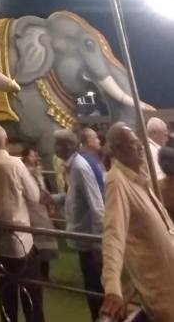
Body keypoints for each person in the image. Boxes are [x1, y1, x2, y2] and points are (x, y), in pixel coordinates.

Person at [102, 122, 174, 322]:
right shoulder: (117, 181)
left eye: (139, 142)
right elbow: (113, 235)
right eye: (133, 144)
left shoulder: (140, 176)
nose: (141, 147)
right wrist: (113, 289)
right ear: (118, 151)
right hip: (161, 292)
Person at [0, 126, 45, 322]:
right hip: (22, 240)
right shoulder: (16, 164)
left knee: (5, 295)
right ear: (6, 140)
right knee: (31, 295)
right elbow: (34, 195)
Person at [53, 129, 104, 321]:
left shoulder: (80, 168)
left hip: (89, 241)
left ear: (66, 147)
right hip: (84, 240)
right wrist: (53, 199)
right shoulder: (73, 166)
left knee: (95, 288)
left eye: (56, 144)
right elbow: (76, 199)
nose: (53, 148)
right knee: (92, 287)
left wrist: (98, 243)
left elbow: (97, 205)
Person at [21, 148, 58, 281]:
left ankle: (44, 274)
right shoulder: (23, 172)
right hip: (32, 212)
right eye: (32, 156)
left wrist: (49, 206)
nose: (35, 158)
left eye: (36, 155)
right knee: (36, 244)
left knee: (45, 242)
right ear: (25, 157)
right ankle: (36, 273)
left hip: (41, 211)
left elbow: (44, 190)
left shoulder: (38, 172)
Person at [80, 127, 106, 196]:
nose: (99, 141)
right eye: (96, 138)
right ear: (89, 141)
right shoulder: (85, 161)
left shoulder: (94, 158)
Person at [147, 117, 169, 182]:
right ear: (154, 133)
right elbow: (158, 177)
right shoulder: (152, 150)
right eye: (165, 135)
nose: (167, 140)